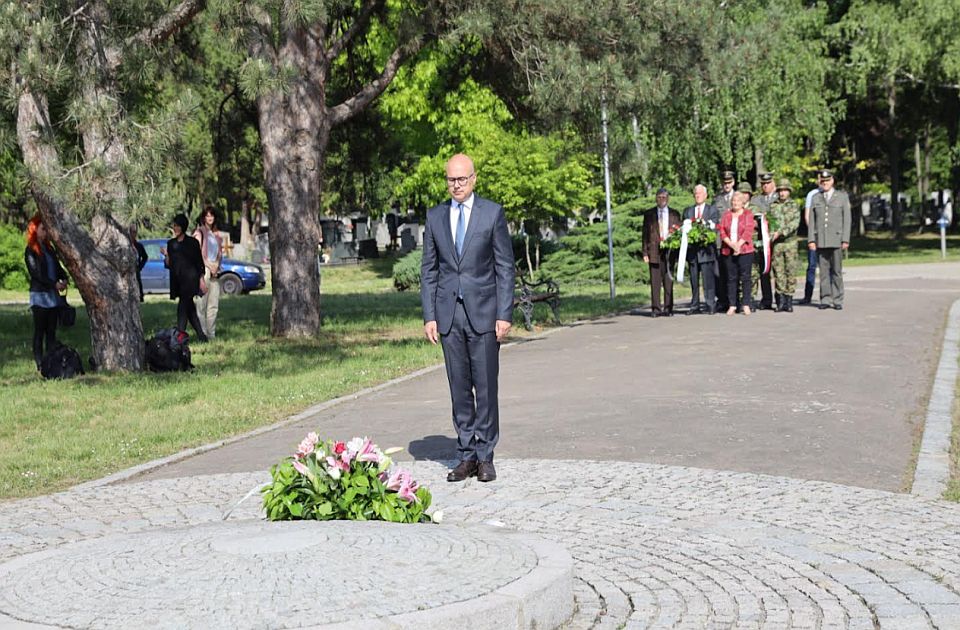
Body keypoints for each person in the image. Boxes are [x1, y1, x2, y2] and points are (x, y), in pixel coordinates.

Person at [420, 154, 514, 483]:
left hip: (486, 314)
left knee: (485, 387)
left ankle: (486, 455)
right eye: (451, 179)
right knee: (459, 388)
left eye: (462, 179)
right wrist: (429, 315)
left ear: (474, 179)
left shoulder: (492, 213)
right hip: (449, 316)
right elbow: (429, 270)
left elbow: (504, 266)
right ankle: (466, 455)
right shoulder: (435, 217)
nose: (456, 185)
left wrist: (504, 313)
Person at [24, 214, 68, 370]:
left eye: (47, 229)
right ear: (35, 229)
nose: (46, 232)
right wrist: (54, 284)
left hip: (53, 296)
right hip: (40, 295)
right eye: (43, 229)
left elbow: (58, 268)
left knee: (51, 331)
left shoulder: (50, 249)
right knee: (39, 330)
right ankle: (39, 363)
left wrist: (64, 279)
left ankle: (51, 362)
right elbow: (36, 274)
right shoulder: (30, 251)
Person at [808, 169, 851, 310]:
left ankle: (838, 299)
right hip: (821, 240)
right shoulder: (816, 198)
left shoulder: (842, 197)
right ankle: (825, 298)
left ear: (832, 181)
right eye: (822, 181)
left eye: (827, 181)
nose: (825, 183)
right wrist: (811, 240)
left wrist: (845, 239)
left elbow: (847, 220)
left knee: (837, 271)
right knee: (824, 271)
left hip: (836, 239)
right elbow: (812, 221)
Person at [162, 213, 208, 341]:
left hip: (191, 279)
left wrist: (201, 280)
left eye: (177, 226)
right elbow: (169, 264)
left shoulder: (192, 243)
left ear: (183, 227)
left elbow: (199, 263)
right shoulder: (171, 244)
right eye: (174, 226)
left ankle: (179, 336)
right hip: (178, 280)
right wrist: (166, 255)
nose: (175, 228)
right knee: (190, 309)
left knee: (183, 306)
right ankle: (201, 336)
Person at [642, 188, 682, 317]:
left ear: (668, 198)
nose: (661, 200)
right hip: (654, 251)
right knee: (655, 281)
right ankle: (656, 308)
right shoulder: (649, 214)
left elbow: (679, 234)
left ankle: (668, 308)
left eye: (664, 197)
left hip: (669, 252)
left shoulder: (674, 214)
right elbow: (645, 235)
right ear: (656, 198)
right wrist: (645, 253)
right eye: (659, 197)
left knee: (668, 280)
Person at [683, 184, 720, 315]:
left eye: (700, 193)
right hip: (692, 252)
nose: (697, 195)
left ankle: (710, 304)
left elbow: (715, 227)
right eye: (696, 193)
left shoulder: (712, 210)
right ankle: (694, 305)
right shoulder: (687, 211)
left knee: (708, 280)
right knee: (694, 280)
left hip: (706, 251)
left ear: (706, 195)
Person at [719, 191, 756, 315]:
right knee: (731, 278)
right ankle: (732, 304)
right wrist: (731, 245)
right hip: (728, 249)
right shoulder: (726, 215)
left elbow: (748, 230)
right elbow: (722, 231)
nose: (735, 203)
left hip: (745, 250)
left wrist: (739, 245)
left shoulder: (748, 214)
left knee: (745, 277)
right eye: (733, 201)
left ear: (742, 203)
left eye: (738, 201)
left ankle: (746, 304)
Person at [768, 179, 801, 312]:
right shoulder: (773, 206)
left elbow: (795, 223)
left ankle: (789, 300)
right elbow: (770, 223)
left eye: (785, 190)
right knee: (778, 272)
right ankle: (780, 301)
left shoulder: (794, 205)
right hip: (777, 245)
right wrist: (771, 233)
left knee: (790, 272)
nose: (782, 193)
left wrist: (781, 232)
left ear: (789, 191)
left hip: (790, 243)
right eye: (780, 191)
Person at [193, 206, 223, 339]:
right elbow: (197, 253)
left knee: (213, 305)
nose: (210, 218)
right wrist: (209, 265)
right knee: (201, 305)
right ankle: (202, 334)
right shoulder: (199, 232)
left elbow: (219, 253)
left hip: (215, 271)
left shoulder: (216, 234)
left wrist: (216, 265)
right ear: (203, 217)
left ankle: (212, 334)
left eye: (212, 215)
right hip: (203, 270)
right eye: (207, 215)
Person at [751, 174, 775, 310]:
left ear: (773, 183)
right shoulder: (756, 200)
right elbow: (752, 215)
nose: (765, 185)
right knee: (760, 269)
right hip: (759, 240)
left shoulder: (778, 199)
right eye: (763, 183)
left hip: (775, 240)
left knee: (775, 271)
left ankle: (779, 298)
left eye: (768, 183)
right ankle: (764, 300)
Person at [714, 171, 736, 312]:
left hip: (735, 241)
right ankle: (722, 300)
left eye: (729, 182)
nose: (726, 185)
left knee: (733, 272)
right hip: (720, 241)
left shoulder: (738, 197)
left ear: (733, 182)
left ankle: (734, 300)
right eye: (724, 182)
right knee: (720, 273)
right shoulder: (717, 199)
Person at [799, 182, 823, 305]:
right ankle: (807, 296)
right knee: (812, 266)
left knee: (828, 267)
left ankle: (827, 296)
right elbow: (807, 216)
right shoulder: (812, 194)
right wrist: (813, 234)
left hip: (827, 237)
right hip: (814, 235)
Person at [130, 224, 148, 302]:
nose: (133, 234)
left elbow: (145, 257)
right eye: (131, 232)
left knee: (138, 284)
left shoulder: (139, 246)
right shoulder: (124, 245)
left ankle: (140, 298)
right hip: (126, 272)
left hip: (135, 270)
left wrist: (139, 267)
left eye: (134, 232)